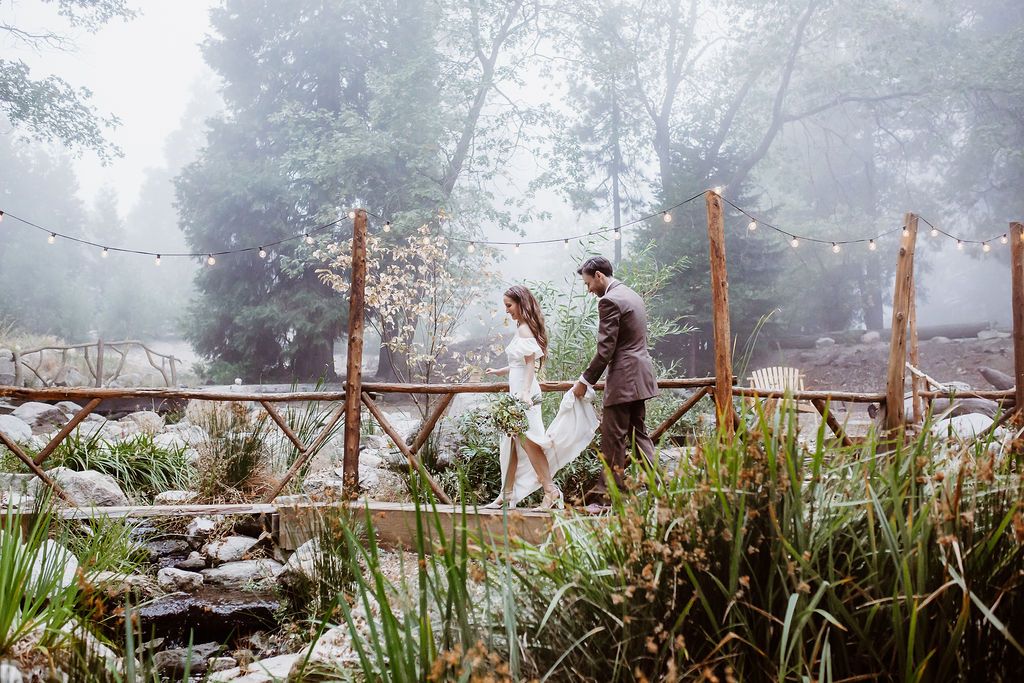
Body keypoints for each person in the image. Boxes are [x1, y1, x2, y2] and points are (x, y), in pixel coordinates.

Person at [484, 285, 598, 510]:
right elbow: (518, 363)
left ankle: (550, 490)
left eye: (509, 305)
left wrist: (525, 393)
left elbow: (529, 366)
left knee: (530, 442)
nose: (507, 310)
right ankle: (507, 494)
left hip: (524, 394)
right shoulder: (522, 328)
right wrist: (500, 372)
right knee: (511, 443)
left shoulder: (525, 330)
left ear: (520, 303)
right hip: (517, 392)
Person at [571, 256, 658, 506]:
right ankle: (661, 492)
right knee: (639, 436)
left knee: (612, 438)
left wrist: (584, 381)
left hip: (624, 378)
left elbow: (605, 349)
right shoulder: (631, 295)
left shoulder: (609, 301)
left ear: (599, 276)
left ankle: (607, 500)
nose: (588, 290)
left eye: (588, 283)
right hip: (641, 376)